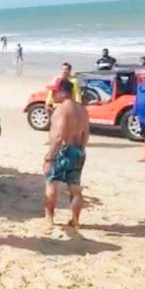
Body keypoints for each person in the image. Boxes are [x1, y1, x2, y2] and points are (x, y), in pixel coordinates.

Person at [43, 79, 89, 228]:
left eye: (55, 91)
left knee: (52, 183)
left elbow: (58, 136)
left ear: (63, 93)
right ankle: (75, 220)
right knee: (75, 188)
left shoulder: (61, 110)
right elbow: (86, 135)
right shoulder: (82, 110)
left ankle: (49, 218)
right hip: (78, 150)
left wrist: (49, 156)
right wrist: (80, 149)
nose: (53, 94)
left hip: (62, 150)